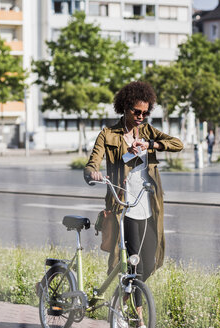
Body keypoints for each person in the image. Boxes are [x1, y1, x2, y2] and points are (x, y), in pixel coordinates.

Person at [84, 81, 183, 286]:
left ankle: (124, 297)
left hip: (148, 206)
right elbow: (93, 162)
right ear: (125, 107)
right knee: (134, 265)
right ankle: (136, 316)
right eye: (137, 112)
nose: (140, 117)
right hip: (124, 207)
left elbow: (178, 144)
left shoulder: (147, 132)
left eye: (145, 113)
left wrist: (150, 144)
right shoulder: (108, 134)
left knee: (149, 262)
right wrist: (93, 173)